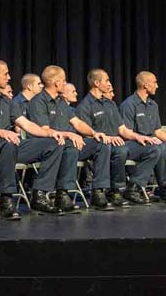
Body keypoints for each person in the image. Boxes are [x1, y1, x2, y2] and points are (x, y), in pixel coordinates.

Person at [0, 59, 65, 217]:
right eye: (5, 74)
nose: (9, 77)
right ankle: (7, 198)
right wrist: (1, 132)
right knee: (8, 143)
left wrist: (49, 133)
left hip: (11, 144)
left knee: (54, 144)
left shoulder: (7, 100)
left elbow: (25, 123)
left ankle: (39, 195)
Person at [28, 65, 114, 211]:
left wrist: (94, 133)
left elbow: (77, 122)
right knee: (70, 145)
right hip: (51, 145)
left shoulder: (62, 102)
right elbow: (44, 130)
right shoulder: (38, 102)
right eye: (63, 80)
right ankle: (62, 193)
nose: (64, 83)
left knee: (101, 143)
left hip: (71, 143)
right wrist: (69, 134)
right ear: (56, 82)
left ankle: (98, 191)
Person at [76, 69, 162, 207]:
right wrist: (107, 138)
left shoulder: (110, 104)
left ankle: (134, 187)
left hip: (119, 142)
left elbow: (122, 129)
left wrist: (139, 137)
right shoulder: (85, 106)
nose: (109, 83)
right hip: (101, 145)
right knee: (119, 150)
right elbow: (85, 133)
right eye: (107, 80)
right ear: (97, 83)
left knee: (153, 150)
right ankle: (114, 190)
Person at [120, 71, 166, 203]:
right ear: (145, 85)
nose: (157, 86)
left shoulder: (152, 105)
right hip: (136, 145)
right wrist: (144, 138)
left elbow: (158, 131)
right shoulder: (129, 104)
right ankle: (164, 188)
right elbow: (125, 132)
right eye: (154, 82)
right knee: (157, 148)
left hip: (155, 143)